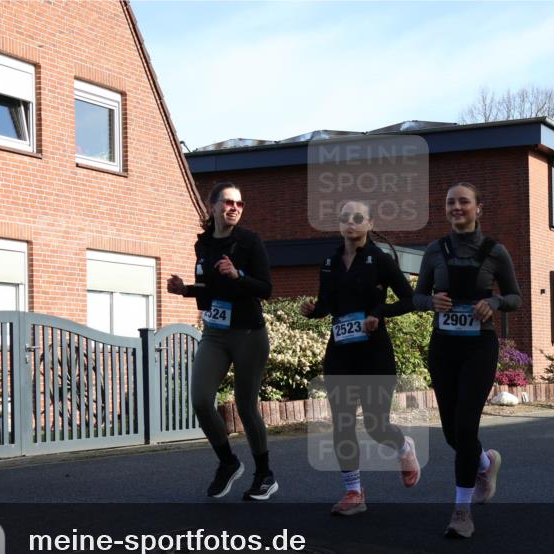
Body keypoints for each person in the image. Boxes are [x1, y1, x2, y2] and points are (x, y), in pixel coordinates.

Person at [413, 182, 521, 539]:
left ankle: (461, 511)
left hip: (479, 346)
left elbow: (515, 297)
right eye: (450, 202)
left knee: (465, 427)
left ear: (479, 208)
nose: (456, 207)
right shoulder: (434, 250)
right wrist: (432, 303)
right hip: (443, 346)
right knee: (450, 433)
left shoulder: (495, 251)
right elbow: (417, 297)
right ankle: (486, 463)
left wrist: (494, 303)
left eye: (464, 202)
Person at [300, 200, 419, 516]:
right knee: (342, 422)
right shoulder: (330, 261)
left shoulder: (380, 260)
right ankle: (354, 491)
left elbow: (409, 300)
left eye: (357, 218)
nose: (350, 223)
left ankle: (404, 447)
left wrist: (378, 313)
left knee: (377, 424)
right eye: (344, 218)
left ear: (369, 223)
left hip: (374, 352)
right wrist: (315, 311)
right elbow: (327, 304)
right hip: (340, 352)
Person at [166, 182, 277, 500]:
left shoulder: (250, 241)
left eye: (240, 204)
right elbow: (208, 289)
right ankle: (228, 462)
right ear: (212, 206)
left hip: (248, 333)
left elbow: (265, 289)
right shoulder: (203, 245)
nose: (235, 208)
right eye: (228, 202)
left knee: (245, 404)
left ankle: (264, 474)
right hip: (215, 332)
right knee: (201, 399)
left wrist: (238, 276)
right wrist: (185, 289)